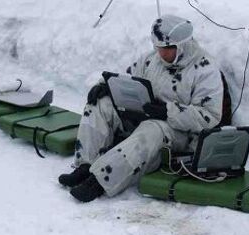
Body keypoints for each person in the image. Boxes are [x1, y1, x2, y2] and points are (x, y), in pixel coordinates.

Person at [59, 15, 228, 202]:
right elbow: (128, 78)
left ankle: (99, 181)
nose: (160, 54)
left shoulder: (205, 69)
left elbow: (210, 116)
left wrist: (167, 111)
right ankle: (85, 165)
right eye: (158, 48)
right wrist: (105, 85)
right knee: (101, 104)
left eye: (165, 49)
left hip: (178, 132)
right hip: (144, 116)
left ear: (181, 46)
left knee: (152, 128)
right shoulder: (152, 59)